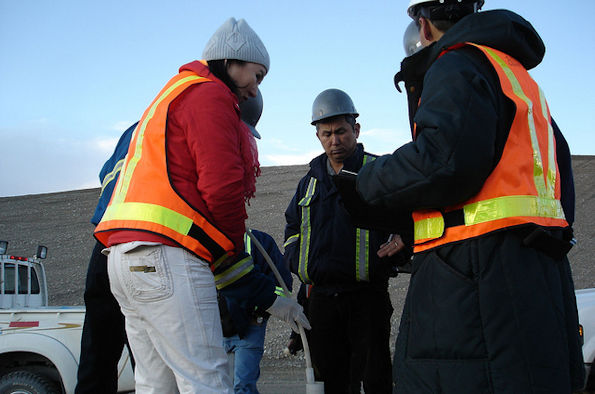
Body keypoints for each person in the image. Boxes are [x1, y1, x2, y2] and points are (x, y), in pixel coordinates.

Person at [355, 1, 585, 392]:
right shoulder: (516, 77)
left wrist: (368, 178)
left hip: (474, 279)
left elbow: (442, 163)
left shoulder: (456, 63)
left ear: (423, 27)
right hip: (534, 270)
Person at [94, 17, 309, 393]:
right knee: (207, 380)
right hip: (167, 259)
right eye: (257, 76)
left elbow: (219, 252)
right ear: (232, 62)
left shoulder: (173, 93)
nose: (254, 89)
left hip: (122, 261)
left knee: (155, 384)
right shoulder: (210, 94)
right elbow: (223, 190)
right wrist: (269, 294)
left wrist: (267, 298)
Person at [283, 88, 410, 393]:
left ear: (356, 129)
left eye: (341, 131)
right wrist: (299, 263)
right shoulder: (309, 182)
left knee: (376, 377)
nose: (334, 140)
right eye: (326, 133)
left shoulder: (377, 171)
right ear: (318, 136)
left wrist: (404, 239)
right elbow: (292, 227)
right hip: (321, 299)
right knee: (332, 380)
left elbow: (410, 217)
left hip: (367, 297)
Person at [75, 122, 137, 394]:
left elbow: (105, 175)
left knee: (97, 354)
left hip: (104, 241)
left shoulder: (132, 130)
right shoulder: (177, 117)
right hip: (142, 242)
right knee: (152, 362)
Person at [220, 229, 292, 394]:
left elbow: (282, 284)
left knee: (243, 386)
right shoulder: (208, 239)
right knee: (218, 386)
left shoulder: (260, 242)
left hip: (250, 327)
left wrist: (260, 311)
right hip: (215, 329)